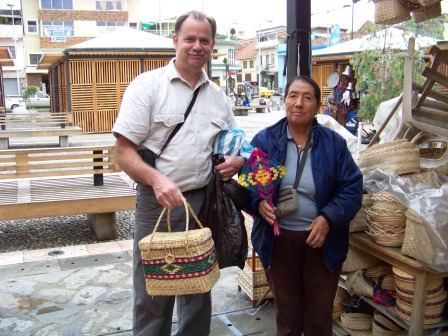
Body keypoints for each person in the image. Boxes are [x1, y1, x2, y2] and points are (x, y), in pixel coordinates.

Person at [112, 10, 246, 336]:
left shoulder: (217, 96)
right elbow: (123, 152)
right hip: (158, 203)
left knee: (199, 288)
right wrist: (157, 179)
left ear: (212, 45)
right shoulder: (147, 86)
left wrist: (238, 161)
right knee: (154, 290)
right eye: (190, 39)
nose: (196, 46)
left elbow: (235, 143)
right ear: (176, 41)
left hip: (203, 201)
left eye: (204, 40)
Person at [246, 76, 363, 335]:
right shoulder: (266, 141)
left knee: (319, 317)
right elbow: (250, 187)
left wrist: (328, 218)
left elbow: (352, 189)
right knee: (287, 315)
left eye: (307, 97)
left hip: (322, 241)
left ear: (318, 106)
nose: (299, 103)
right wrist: (258, 204)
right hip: (279, 241)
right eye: (293, 96)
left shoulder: (333, 144)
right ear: (285, 101)